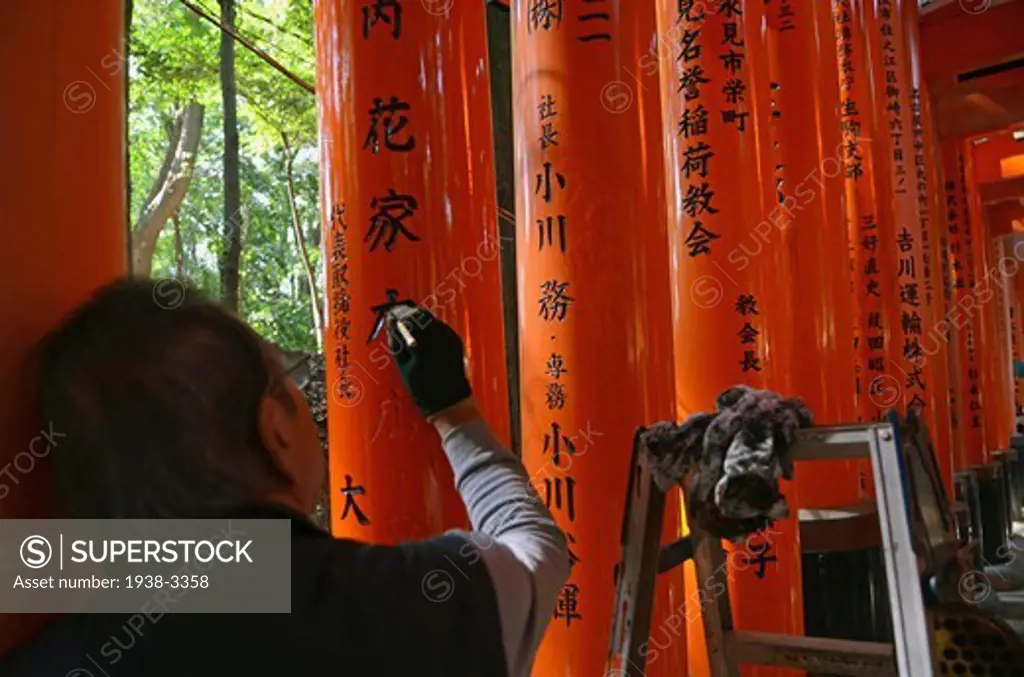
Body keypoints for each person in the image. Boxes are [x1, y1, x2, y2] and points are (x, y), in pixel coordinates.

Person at [0, 278, 568, 677]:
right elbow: (535, 550)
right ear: (273, 428)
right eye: (286, 385)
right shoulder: (401, 609)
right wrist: (453, 410)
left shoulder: (51, 634)